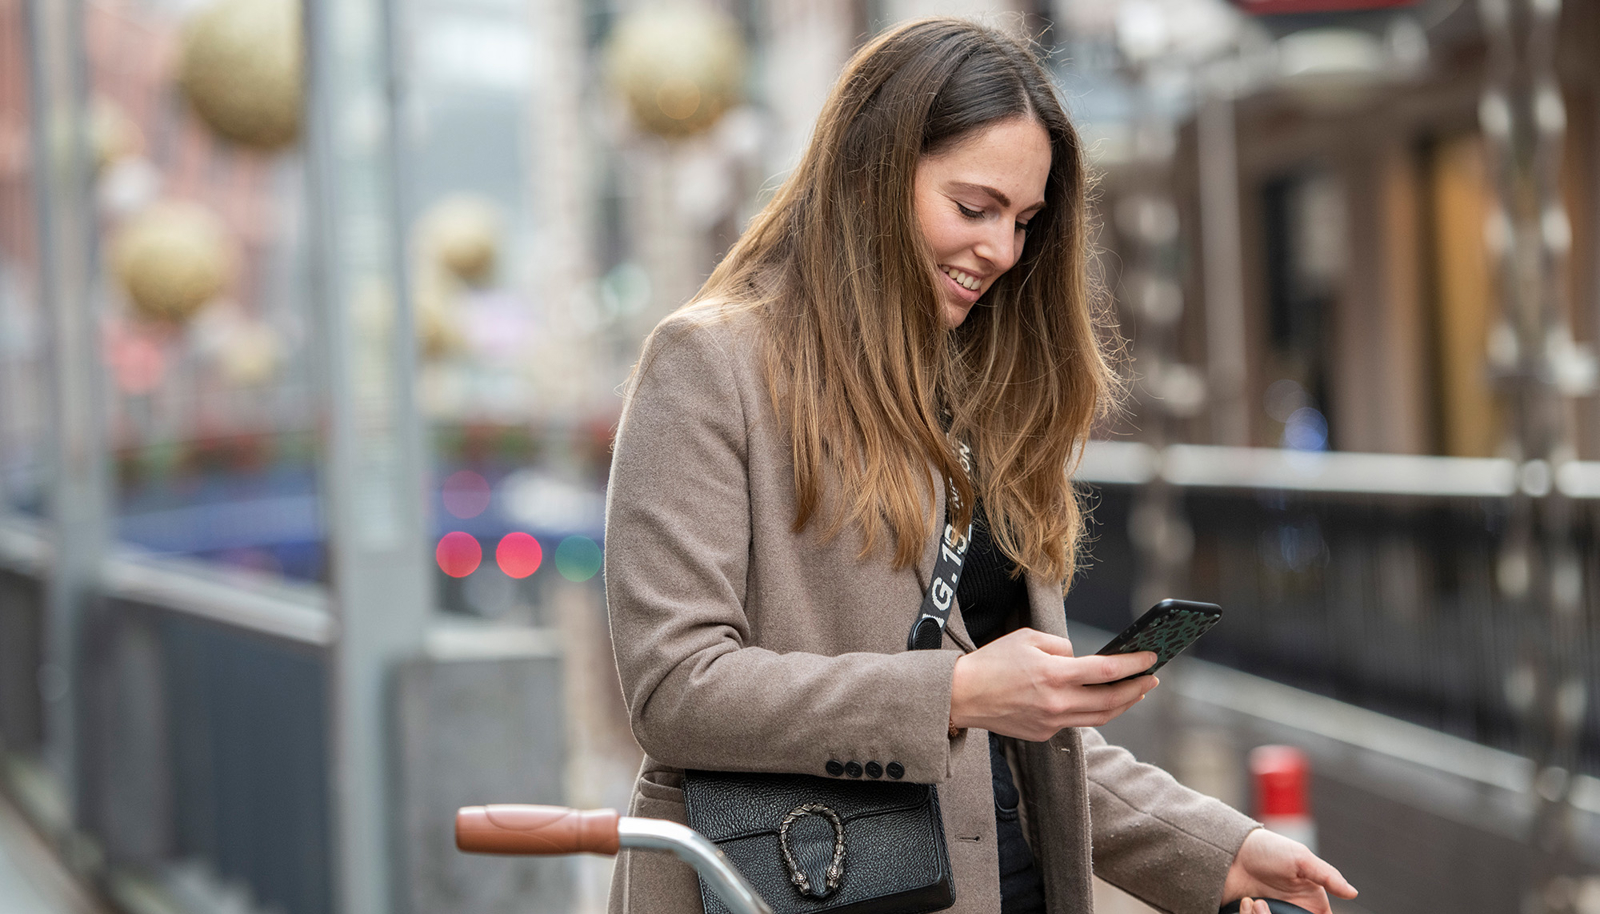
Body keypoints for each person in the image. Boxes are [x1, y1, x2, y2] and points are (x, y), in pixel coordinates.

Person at [603, 17, 1358, 914]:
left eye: (1025, 221)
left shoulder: (975, 384)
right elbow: (676, 688)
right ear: (870, 175)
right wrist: (957, 692)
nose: (1002, 252)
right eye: (973, 208)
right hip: (788, 883)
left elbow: (1017, 748)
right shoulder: (710, 364)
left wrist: (1218, 849)